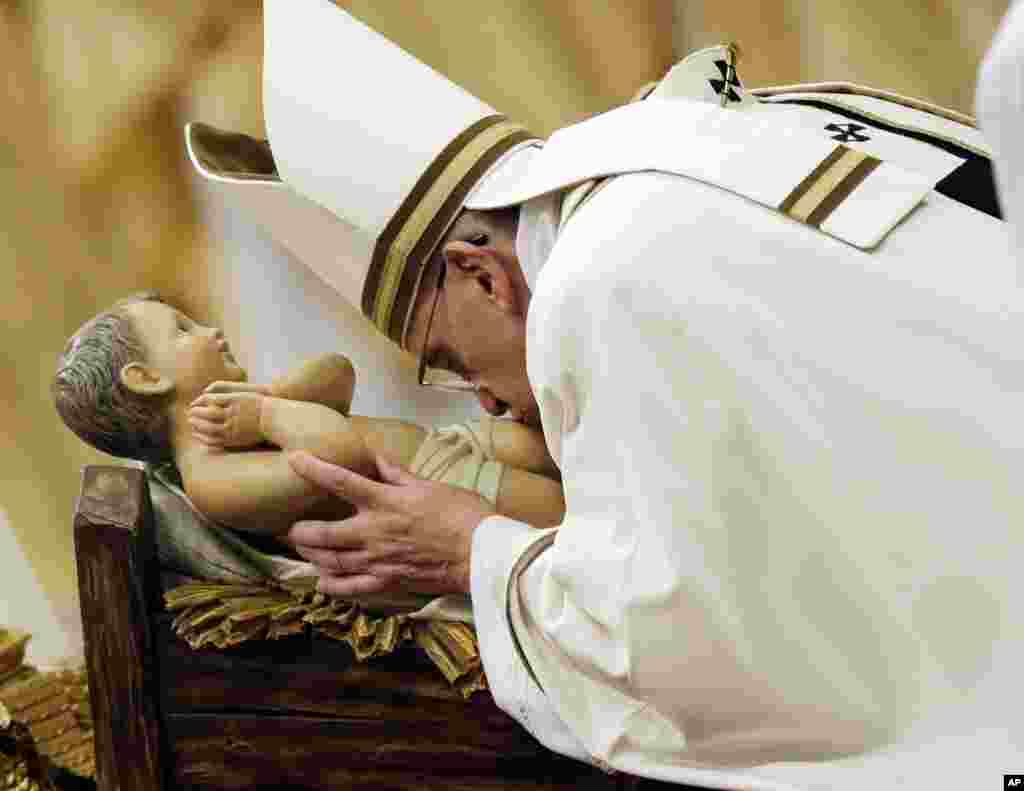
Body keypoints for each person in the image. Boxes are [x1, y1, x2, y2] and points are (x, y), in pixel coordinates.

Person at [189, 1, 1024, 787]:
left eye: (448, 360)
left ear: (483, 275)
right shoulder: (675, 147)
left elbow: (678, 642)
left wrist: (469, 550)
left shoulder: (598, 283)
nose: (480, 403)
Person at [52, 292, 564, 543]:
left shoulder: (246, 409)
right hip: (449, 491)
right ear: (146, 378)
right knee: (574, 512)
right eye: (183, 331)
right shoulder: (213, 479)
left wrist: (270, 396)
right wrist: (268, 414)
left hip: (451, 447)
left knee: (569, 451)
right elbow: (341, 456)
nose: (210, 330)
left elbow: (338, 375)